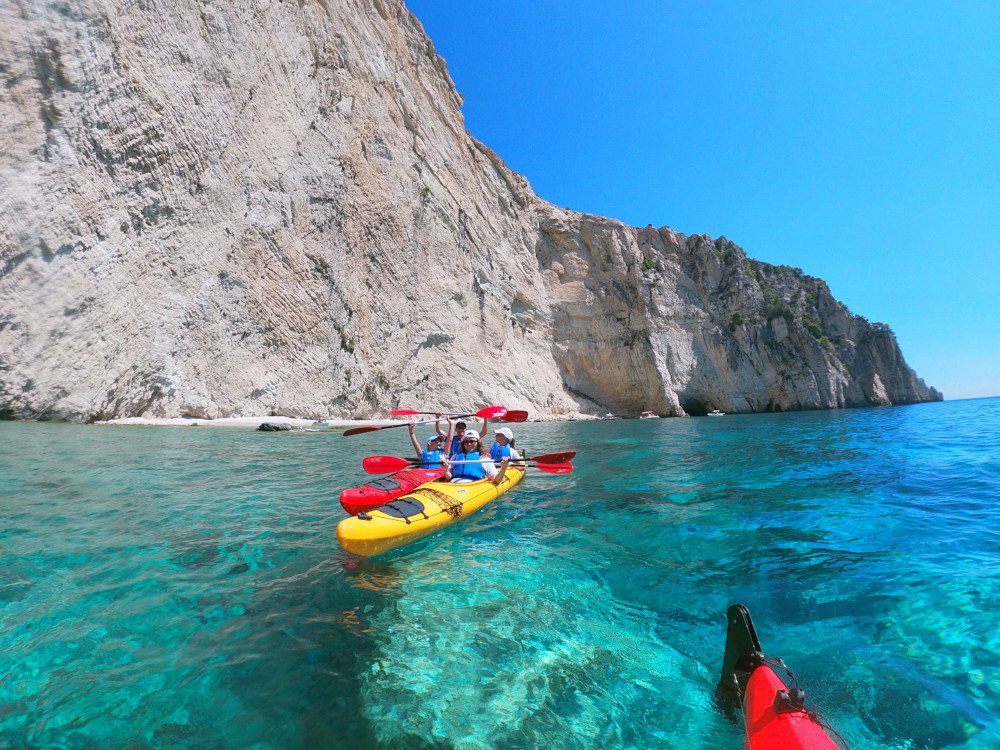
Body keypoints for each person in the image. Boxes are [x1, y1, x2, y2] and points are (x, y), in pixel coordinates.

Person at [442, 429, 509, 485]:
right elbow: (449, 477)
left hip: (473, 486)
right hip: (453, 485)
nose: (469, 444)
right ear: (463, 443)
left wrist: (503, 468)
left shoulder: (484, 458)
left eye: (472, 441)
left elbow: (496, 480)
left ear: (478, 442)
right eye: (466, 441)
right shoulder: (455, 457)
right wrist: (445, 470)